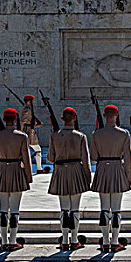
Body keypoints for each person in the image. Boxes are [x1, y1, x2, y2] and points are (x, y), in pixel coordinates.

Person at [0, 108, 33, 251]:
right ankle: (12, 241)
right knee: (14, 210)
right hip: (16, 170)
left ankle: (3, 240)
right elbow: (26, 158)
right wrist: (28, 176)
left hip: (1, 170)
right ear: (15, 120)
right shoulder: (22, 136)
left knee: (2, 209)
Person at [90, 105, 131, 253]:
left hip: (102, 169)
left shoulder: (96, 134)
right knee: (116, 210)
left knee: (104, 209)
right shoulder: (124, 134)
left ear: (104, 116)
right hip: (117, 169)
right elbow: (128, 157)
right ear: (116, 115)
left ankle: (105, 241)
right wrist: (129, 176)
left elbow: (94, 157)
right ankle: (115, 242)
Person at [47, 107, 91, 251]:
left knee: (64, 208)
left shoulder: (55, 136)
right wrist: (87, 177)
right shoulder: (80, 136)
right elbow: (86, 159)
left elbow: (50, 157)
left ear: (62, 119)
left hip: (60, 171)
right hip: (76, 171)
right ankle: (74, 239)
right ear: (75, 118)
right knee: (75, 209)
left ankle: (64, 240)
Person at [20, 94, 47, 174]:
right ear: (29, 101)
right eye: (32, 101)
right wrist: (36, 125)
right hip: (28, 132)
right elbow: (23, 123)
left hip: (30, 132)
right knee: (35, 149)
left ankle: (36, 168)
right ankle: (38, 168)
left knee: (31, 150)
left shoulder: (27, 109)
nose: (34, 102)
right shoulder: (26, 110)